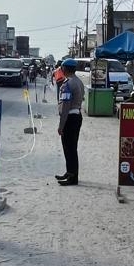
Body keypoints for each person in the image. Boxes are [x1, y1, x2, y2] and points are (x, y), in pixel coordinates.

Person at [55, 58, 85, 186]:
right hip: (77, 116)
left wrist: (61, 125)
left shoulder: (67, 84)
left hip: (70, 118)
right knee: (72, 147)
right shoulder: (78, 82)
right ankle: (70, 172)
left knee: (69, 148)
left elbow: (65, 106)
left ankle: (72, 177)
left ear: (65, 69)